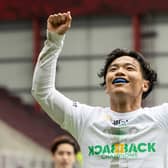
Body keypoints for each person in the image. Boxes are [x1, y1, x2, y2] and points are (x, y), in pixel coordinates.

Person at [32, 11, 168, 167]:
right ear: (107, 87)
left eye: (129, 68)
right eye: (113, 69)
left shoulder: (162, 118)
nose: (119, 71)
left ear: (145, 84)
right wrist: (53, 42)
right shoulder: (85, 119)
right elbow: (42, 92)